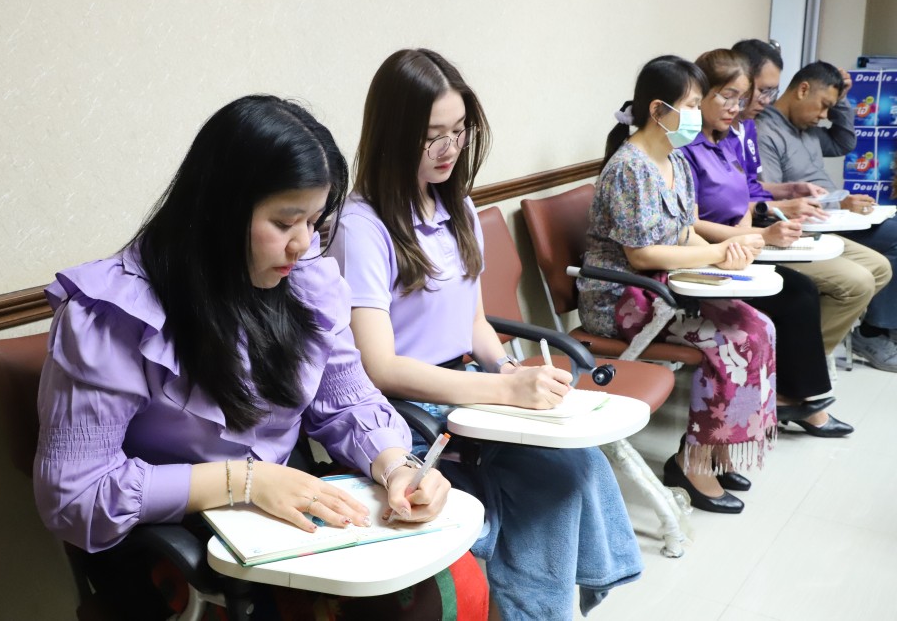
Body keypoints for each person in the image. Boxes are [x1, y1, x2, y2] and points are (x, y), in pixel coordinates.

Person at [34, 95, 470, 620]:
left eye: (314, 221)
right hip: (171, 540)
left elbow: (346, 400)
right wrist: (243, 481)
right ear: (220, 211)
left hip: (278, 512)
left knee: (444, 583)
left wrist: (398, 465)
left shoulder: (304, 277)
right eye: (285, 222)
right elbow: (75, 497)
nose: (302, 244)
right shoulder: (111, 316)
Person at [327, 48, 642, 621]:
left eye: (459, 130)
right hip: (406, 413)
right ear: (393, 134)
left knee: (579, 466)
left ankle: (540, 607)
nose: (449, 148)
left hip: (469, 390)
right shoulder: (362, 226)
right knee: (550, 485)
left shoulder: (459, 209)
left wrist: (507, 370)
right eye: (432, 136)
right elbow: (379, 367)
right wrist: (501, 391)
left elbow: (475, 324)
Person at [579, 55, 777, 515]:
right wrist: (716, 254)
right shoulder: (629, 168)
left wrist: (731, 254)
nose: (696, 113)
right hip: (621, 299)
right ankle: (693, 463)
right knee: (733, 339)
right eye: (690, 104)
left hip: (666, 291)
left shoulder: (674, 162)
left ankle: (719, 447)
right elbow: (642, 256)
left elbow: (685, 232)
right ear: (657, 109)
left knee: (759, 327)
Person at [680, 48, 852, 437]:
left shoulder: (726, 141)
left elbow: (743, 201)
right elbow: (690, 224)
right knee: (795, 294)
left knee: (801, 289)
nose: (736, 107)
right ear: (700, 95)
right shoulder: (684, 149)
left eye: (741, 98)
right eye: (727, 96)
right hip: (708, 256)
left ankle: (797, 398)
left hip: (738, 248)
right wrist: (758, 236)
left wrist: (755, 234)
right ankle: (796, 401)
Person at [755, 57, 897, 372]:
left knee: (885, 253)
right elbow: (773, 198)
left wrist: (841, 100)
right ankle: (868, 335)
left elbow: (844, 142)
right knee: (888, 248)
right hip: (811, 223)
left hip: (833, 215)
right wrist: (839, 204)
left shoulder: (806, 129)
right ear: (803, 89)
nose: (824, 116)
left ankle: (809, 359)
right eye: (824, 106)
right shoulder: (766, 130)